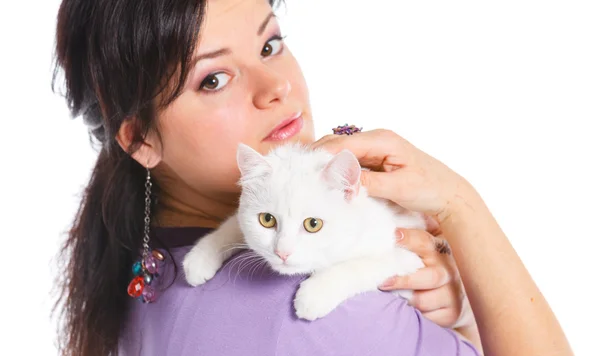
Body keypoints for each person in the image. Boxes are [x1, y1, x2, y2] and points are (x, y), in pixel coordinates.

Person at [51, 0, 571, 355]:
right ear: (141, 138)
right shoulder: (317, 315)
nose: (276, 87)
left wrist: (450, 316)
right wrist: (462, 208)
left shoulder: (143, 267)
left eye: (270, 44)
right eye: (212, 78)